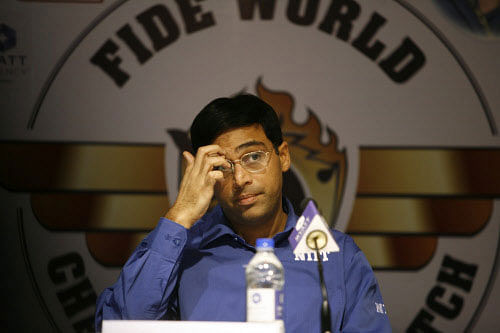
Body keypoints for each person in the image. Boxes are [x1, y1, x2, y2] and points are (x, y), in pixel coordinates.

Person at [95, 94, 391, 332]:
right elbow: (121, 324)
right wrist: (180, 215)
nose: (240, 180)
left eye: (253, 157)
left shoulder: (338, 257)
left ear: (283, 156)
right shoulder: (180, 250)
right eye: (222, 167)